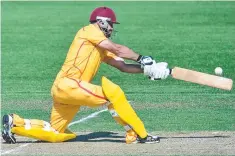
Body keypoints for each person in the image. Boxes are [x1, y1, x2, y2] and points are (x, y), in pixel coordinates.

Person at [2, 6, 169, 144]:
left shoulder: (101, 46)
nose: (112, 28)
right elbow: (117, 49)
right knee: (114, 95)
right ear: (101, 22)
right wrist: (141, 58)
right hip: (70, 85)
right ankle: (139, 134)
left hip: (65, 90)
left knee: (55, 132)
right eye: (111, 24)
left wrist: (148, 70)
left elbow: (123, 67)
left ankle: (15, 122)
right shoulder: (89, 31)